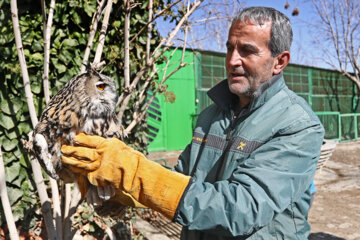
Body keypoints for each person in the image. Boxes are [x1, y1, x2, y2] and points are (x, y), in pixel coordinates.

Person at [61, 7, 324, 239]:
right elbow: (181, 179)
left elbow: (242, 209)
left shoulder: (298, 126)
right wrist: (119, 189)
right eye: (230, 48)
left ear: (279, 62)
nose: (232, 60)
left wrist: (136, 173)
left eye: (247, 51)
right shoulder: (211, 115)